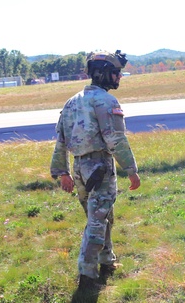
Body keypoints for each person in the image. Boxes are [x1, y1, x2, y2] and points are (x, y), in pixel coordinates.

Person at [50, 50, 141, 294]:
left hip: (79, 168)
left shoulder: (72, 101)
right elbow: (116, 140)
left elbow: (60, 140)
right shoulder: (105, 101)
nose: (119, 77)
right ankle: (87, 276)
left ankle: (106, 261)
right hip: (99, 167)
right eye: (115, 73)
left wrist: (63, 172)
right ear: (102, 74)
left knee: (102, 217)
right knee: (97, 222)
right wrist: (131, 170)